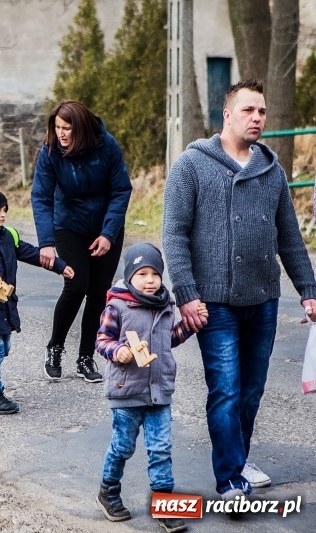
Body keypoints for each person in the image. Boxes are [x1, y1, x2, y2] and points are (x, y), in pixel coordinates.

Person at [162, 79, 316, 500]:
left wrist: (308, 289)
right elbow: (174, 234)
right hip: (214, 302)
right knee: (226, 388)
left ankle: (239, 458)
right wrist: (187, 294)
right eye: (249, 110)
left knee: (251, 389)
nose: (258, 118)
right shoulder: (192, 165)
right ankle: (230, 478)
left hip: (263, 298)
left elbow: (289, 237)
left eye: (262, 112)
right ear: (226, 114)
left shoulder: (271, 168)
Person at [95, 243, 204, 532]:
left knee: (160, 449)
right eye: (142, 273)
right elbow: (102, 340)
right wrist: (118, 351)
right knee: (122, 447)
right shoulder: (117, 306)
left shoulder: (166, 305)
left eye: (154, 273)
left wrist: (192, 326)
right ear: (130, 276)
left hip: (159, 392)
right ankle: (108, 492)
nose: (149, 280)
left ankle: (165, 504)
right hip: (126, 390)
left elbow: (171, 339)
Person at [31, 99, 132, 384]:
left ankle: (86, 357)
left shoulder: (106, 146)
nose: (61, 134)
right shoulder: (50, 152)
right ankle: (55, 347)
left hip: (105, 227)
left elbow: (121, 190)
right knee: (76, 284)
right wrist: (46, 242)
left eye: (67, 128)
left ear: (82, 128)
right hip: (70, 225)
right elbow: (40, 197)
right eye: (58, 127)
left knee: (99, 291)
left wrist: (108, 233)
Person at [0, 184, 74, 415]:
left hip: (6, 304)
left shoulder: (9, 235)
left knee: (5, 348)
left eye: (5, 209)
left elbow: (32, 253)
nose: (3, 214)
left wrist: (59, 266)